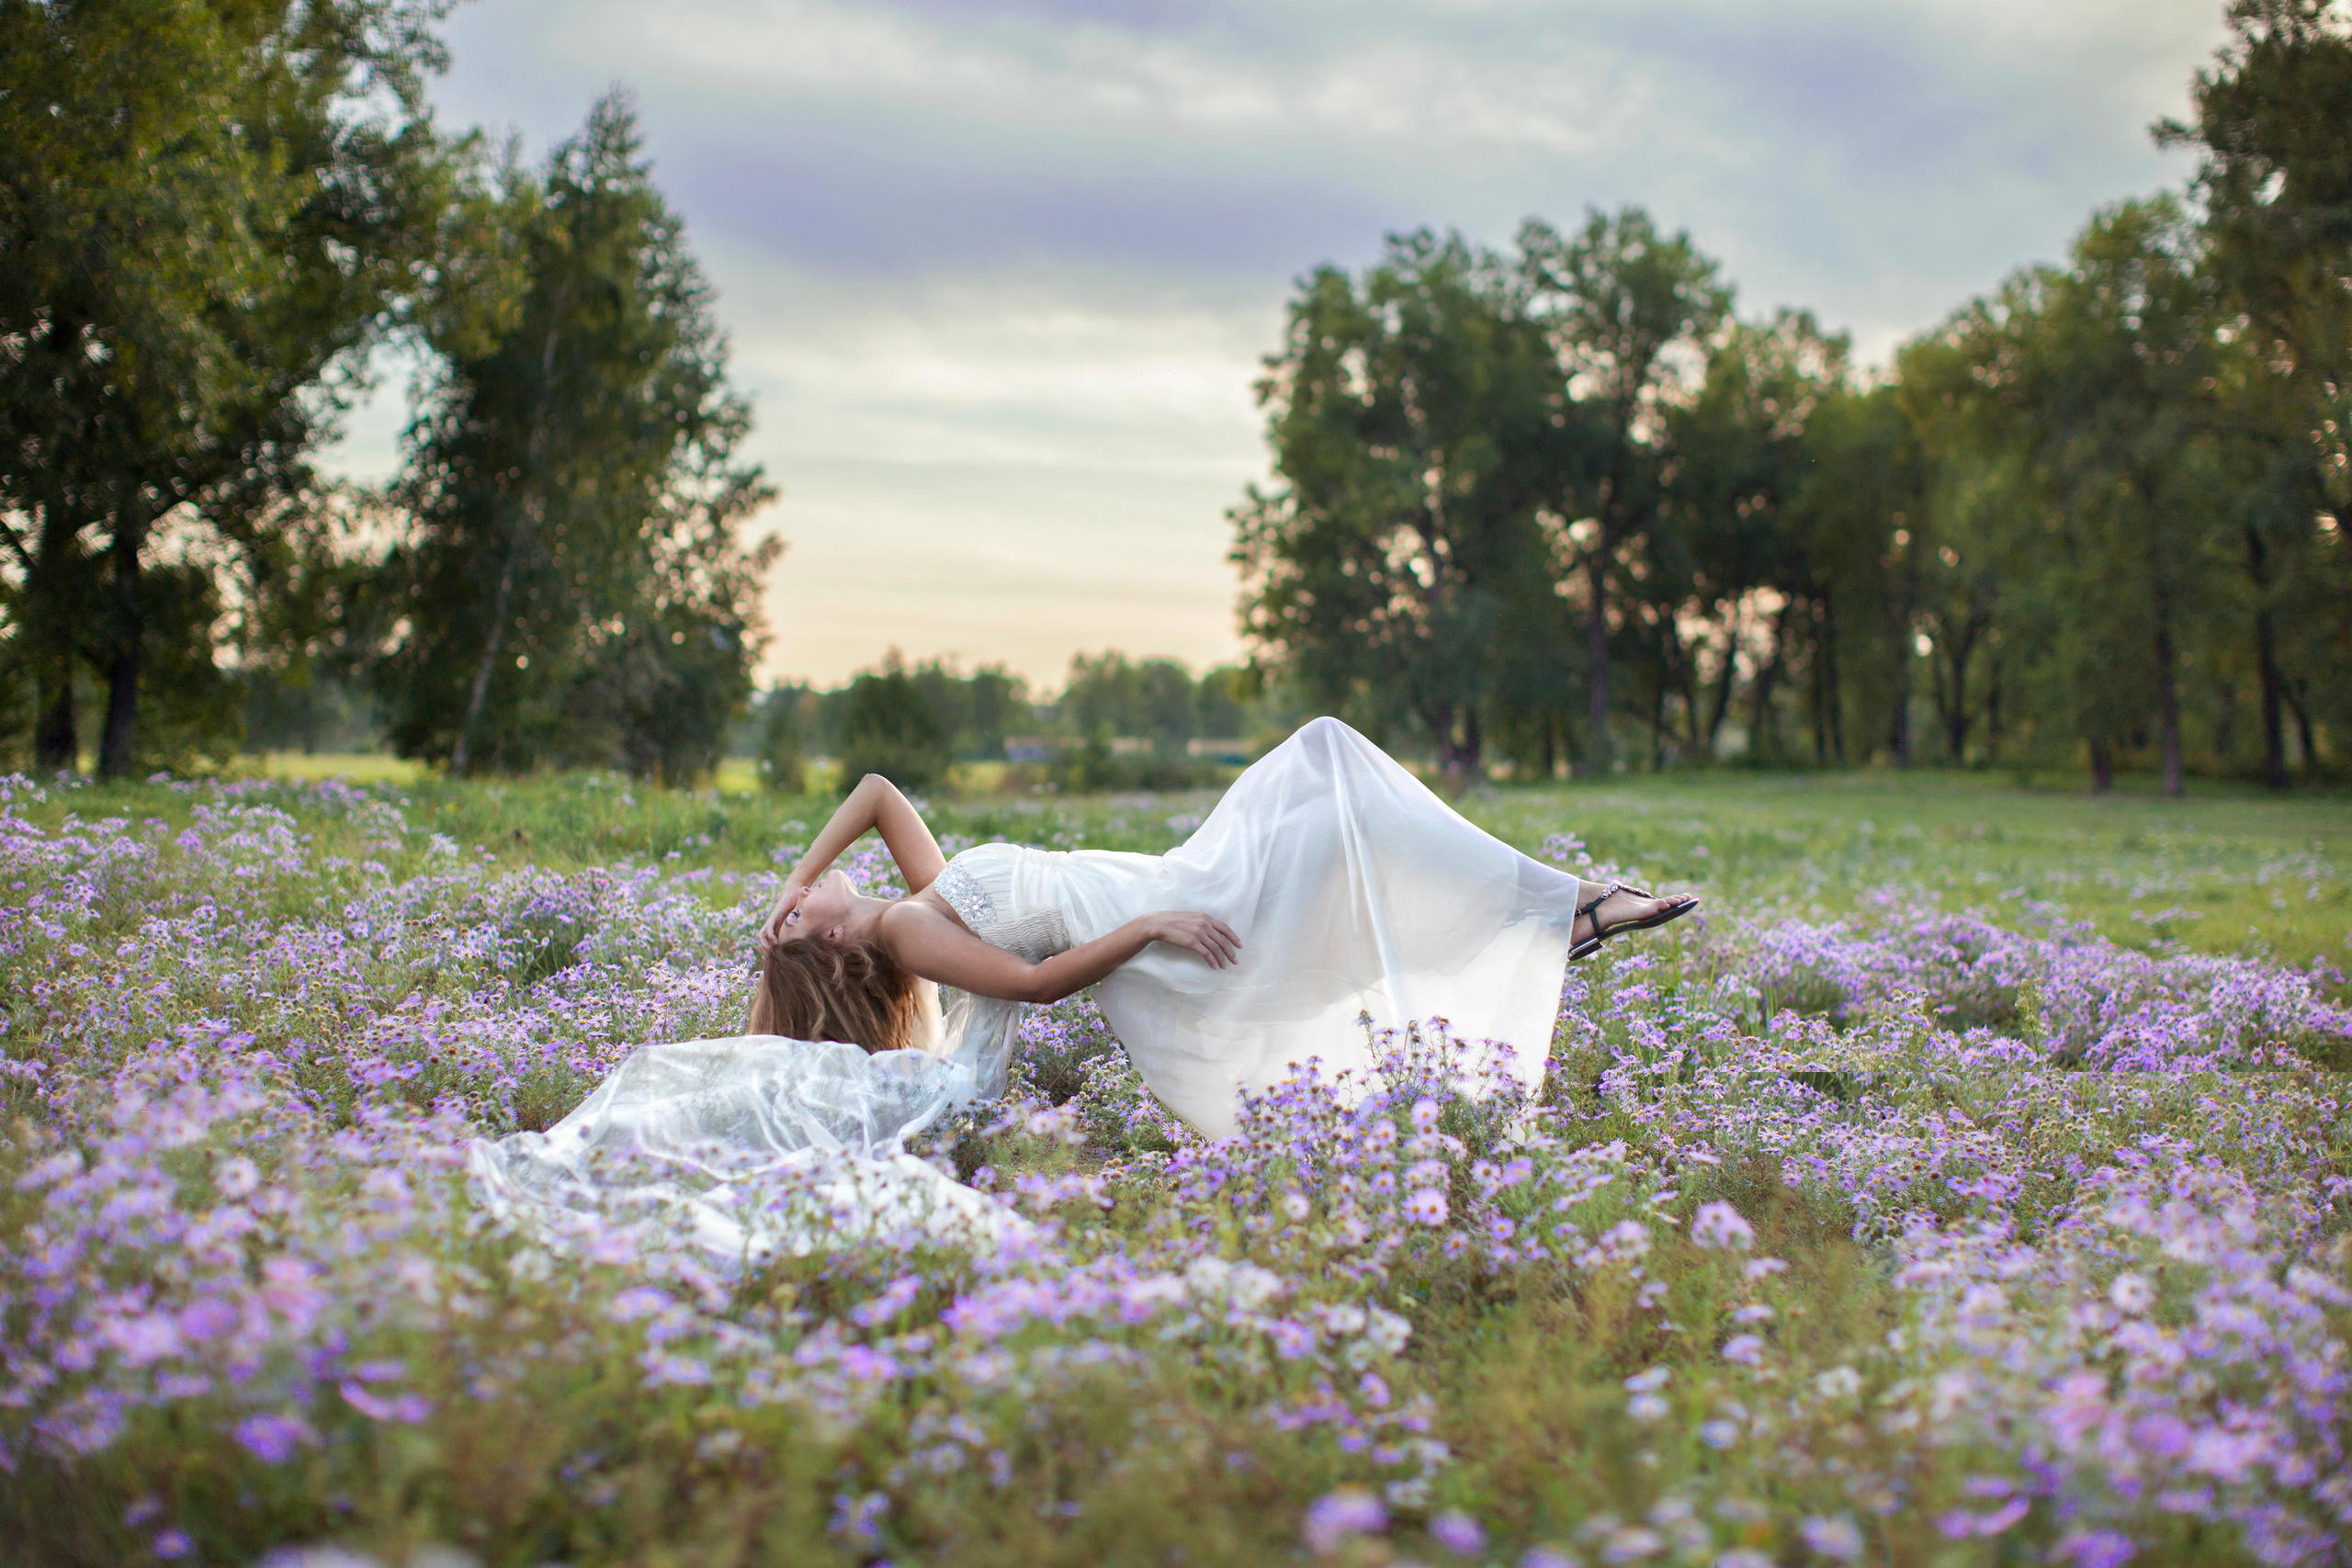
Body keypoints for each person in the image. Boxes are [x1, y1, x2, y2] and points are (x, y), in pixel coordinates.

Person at [750, 716, 1695, 1138]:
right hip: (1167, 917)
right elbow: (1036, 986)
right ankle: (1561, 913)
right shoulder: (913, 935)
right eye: (802, 915)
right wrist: (1152, 926)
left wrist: (791, 885)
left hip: (1176, 882)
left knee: (1331, 783)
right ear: (833, 944)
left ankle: (1557, 915)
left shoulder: (923, 894)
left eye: (794, 896)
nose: (803, 892)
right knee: (1336, 814)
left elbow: (874, 791)